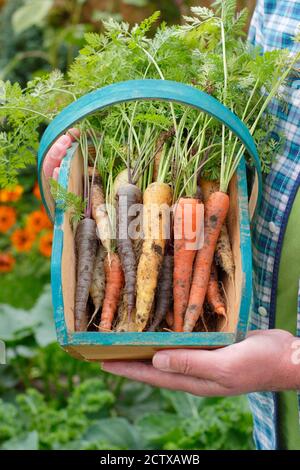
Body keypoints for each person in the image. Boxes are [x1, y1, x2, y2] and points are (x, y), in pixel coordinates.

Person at [102, 1, 300, 450]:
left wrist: (291, 365)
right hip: (275, 419)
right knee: (148, 258)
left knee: (166, 263)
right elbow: (247, 110)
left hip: (277, 365)